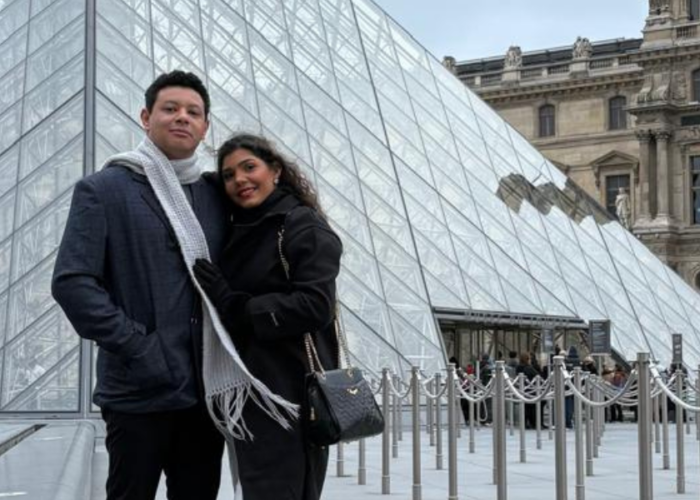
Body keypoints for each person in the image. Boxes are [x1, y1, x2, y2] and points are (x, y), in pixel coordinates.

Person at [52, 71, 227, 500]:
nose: (182, 117)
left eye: (194, 112)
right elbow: (73, 283)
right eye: (171, 109)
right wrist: (140, 347)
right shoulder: (104, 189)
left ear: (205, 127)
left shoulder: (217, 195)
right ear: (146, 117)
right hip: (137, 391)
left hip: (205, 394)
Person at [192, 133, 343, 500]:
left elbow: (315, 305)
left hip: (288, 391)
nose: (240, 180)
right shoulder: (245, 225)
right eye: (229, 175)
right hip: (252, 387)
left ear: (275, 170)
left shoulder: (300, 225)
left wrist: (237, 306)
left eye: (249, 167)